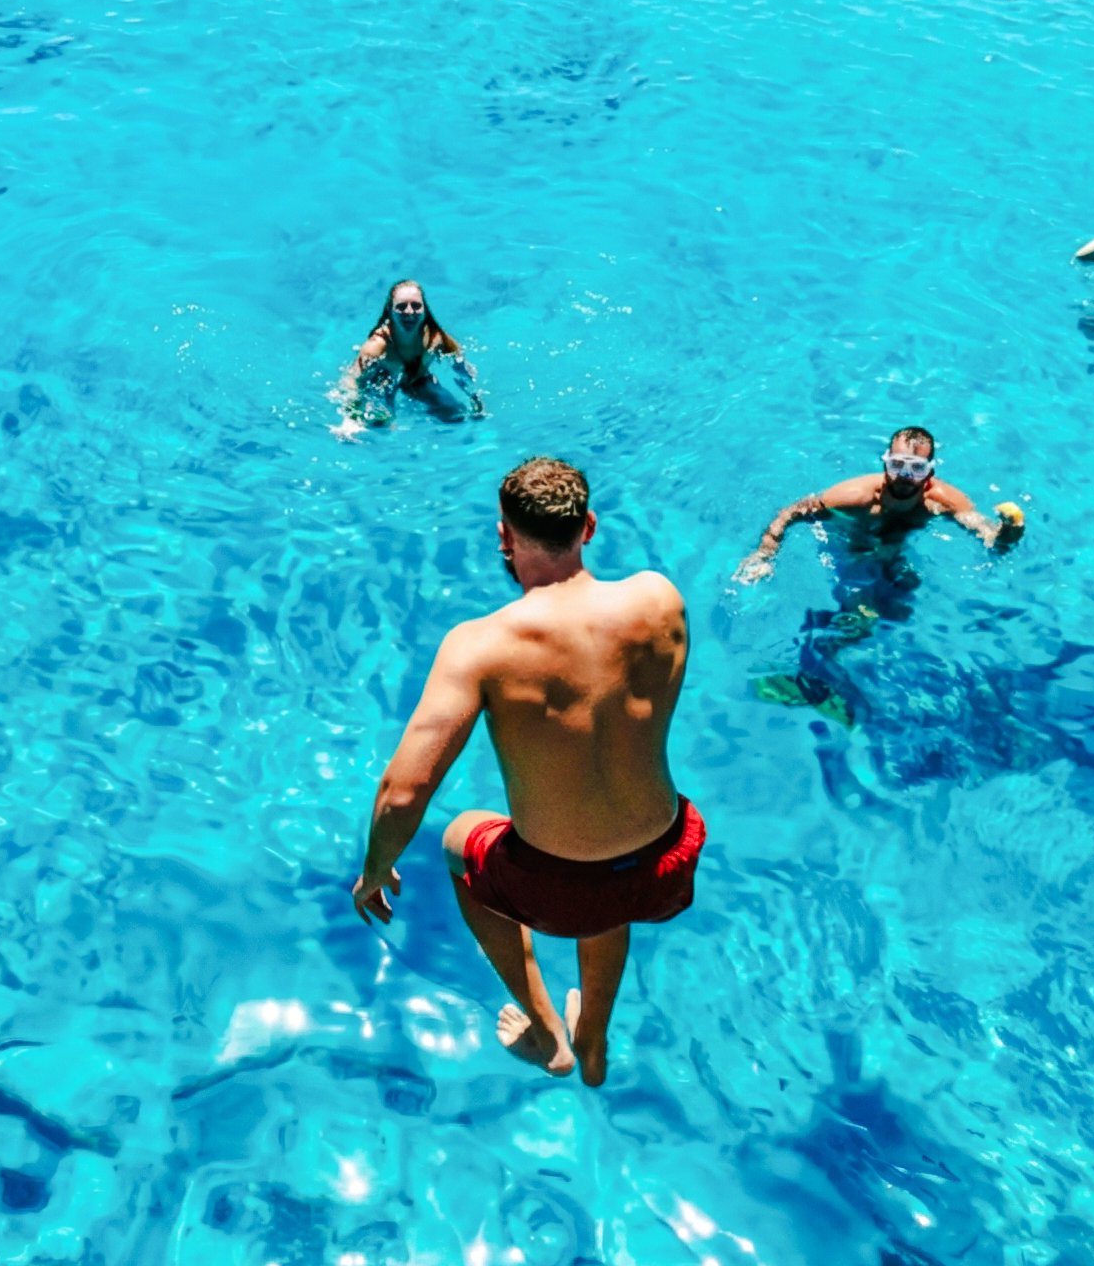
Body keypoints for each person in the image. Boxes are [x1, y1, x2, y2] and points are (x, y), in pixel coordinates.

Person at [349, 457, 701, 1086]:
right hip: (666, 859)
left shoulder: (482, 646)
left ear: (504, 538)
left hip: (560, 887)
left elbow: (403, 792)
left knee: (463, 838)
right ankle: (593, 1037)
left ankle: (549, 1035)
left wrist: (375, 869)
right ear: (588, 527)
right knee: (609, 873)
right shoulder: (660, 598)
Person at [736, 425, 1024, 586]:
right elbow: (792, 512)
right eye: (897, 465)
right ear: (885, 464)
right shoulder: (854, 496)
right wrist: (764, 554)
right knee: (860, 616)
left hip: (894, 552)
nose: (904, 476)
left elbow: (989, 536)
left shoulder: (942, 502)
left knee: (902, 604)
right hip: (851, 548)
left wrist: (1008, 532)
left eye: (916, 468)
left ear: (930, 472)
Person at [333, 279, 482, 432]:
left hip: (418, 380)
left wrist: (475, 399)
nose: (409, 312)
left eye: (416, 306)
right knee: (381, 423)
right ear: (390, 311)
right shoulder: (377, 347)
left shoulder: (435, 339)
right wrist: (349, 418)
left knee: (456, 415)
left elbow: (461, 367)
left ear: (425, 311)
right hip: (383, 382)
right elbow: (352, 381)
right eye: (401, 307)